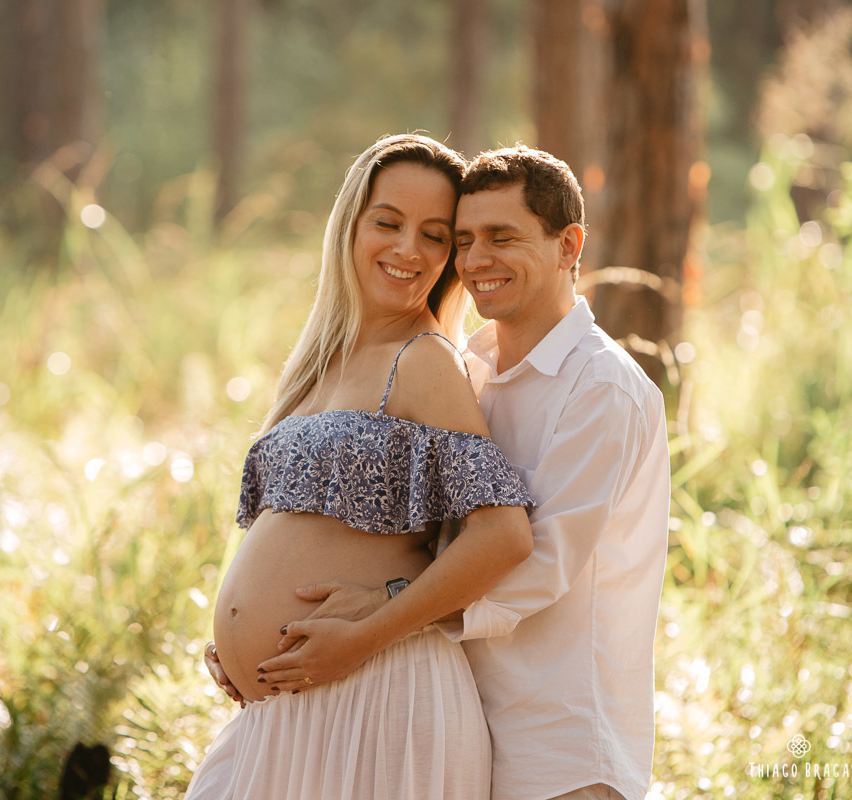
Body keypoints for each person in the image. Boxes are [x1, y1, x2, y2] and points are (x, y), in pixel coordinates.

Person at [244, 145, 670, 800]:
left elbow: (538, 561)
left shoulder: (602, 388)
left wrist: (379, 615)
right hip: (460, 714)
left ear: (568, 245)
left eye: (502, 237)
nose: (475, 261)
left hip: (559, 747)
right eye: (465, 240)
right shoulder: (471, 371)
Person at [186, 134, 536, 799]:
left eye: (435, 236)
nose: (409, 249)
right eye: (388, 222)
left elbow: (505, 534)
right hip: (292, 706)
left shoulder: (424, 360)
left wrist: (368, 629)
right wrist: (237, 645)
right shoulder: (319, 367)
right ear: (350, 223)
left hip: (378, 698)